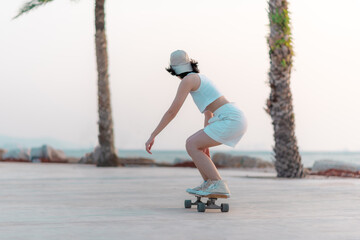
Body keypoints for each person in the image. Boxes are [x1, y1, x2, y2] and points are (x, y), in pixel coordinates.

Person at [145, 50, 247, 197]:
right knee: (195, 144)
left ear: (174, 70)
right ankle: (209, 184)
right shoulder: (199, 78)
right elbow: (208, 113)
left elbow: (172, 112)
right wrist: (205, 142)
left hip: (230, 119)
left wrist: (153, 135)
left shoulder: (188, 81)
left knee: (191, 144)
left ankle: (217, 183)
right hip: (234, 117)